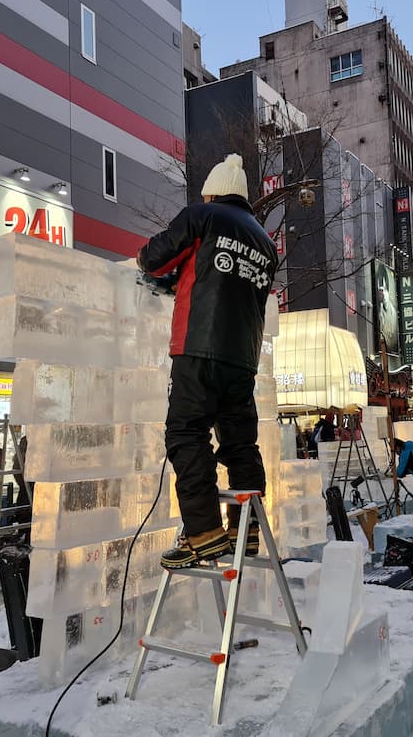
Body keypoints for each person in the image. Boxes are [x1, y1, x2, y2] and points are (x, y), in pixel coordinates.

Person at [137, 153, 279, 569]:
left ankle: (203, 533)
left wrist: (161, 272)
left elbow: (154, 258)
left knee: (186, 433)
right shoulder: (266, 245)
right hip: (243, 360)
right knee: (240, 443)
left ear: (213, 192)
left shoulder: (202, 215)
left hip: (198, 347)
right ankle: (245, 529)